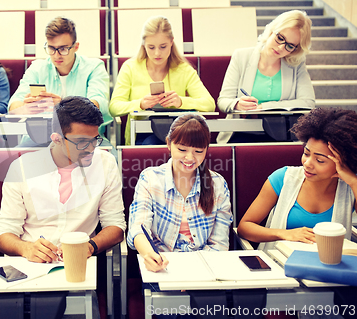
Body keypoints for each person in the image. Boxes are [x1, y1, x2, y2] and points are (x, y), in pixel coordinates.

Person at [0, 96, 125, 262]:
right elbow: (4, 234)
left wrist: (91, 245)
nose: (91, 148)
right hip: (29, 263)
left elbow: (115, 225)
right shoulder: (20, 168)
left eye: (95, 139)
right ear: (56, 139)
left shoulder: (105, 163)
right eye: (82, 142)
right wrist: (26, 248)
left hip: (80, 262)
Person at [237, 108, 357, 252]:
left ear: (343, 161)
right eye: (306, 153)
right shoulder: (283, 178)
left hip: (332, 266)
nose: (307, 163)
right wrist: (285, 234)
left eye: (320, 160)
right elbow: (245, 227)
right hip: (280, 264)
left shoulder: (350, 186)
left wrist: (353, 182)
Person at [127, 114, 233, 272]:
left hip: (205, 268)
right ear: (169, 143)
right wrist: (150, 254)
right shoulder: (150, 179)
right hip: (163, 266)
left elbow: (219, 244)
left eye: (198, 151)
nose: (190, 158)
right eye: (182, 149)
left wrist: (195, 273)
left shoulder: (217, 184)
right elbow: (138, 228)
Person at [109, 16, 215, 145]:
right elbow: (114, 107)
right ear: (144, 45)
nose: (157, 53)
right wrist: (140, 104)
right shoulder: (130, 67)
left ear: (171, 42)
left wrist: (181, 101)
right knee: (151, 144)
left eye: (163, 47)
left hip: (178, 135)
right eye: (151, 47)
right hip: (140, 135)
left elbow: (209, 104)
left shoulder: (184, 69)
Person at [8, 17, 111, 145]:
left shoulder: (94, 67)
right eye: (51, 48)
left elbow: (98, 105)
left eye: (63, 49)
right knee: (17, 160)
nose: (56, 55)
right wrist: (28, 108)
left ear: (76, 46)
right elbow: (13, 107)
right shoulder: (37, 68)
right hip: (40, 138)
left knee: (110, 158)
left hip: (84, 137)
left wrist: (63, 106)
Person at [217, 10, 315, 143]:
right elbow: (223, 101)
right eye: (280, 38)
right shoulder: (241, 56)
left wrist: (265, 106)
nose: (281, 48)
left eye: (290, 46)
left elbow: (308, 103)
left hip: (282, 134)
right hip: (241, 132)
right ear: (271, 31)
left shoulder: (296, 65)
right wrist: (237, 104)